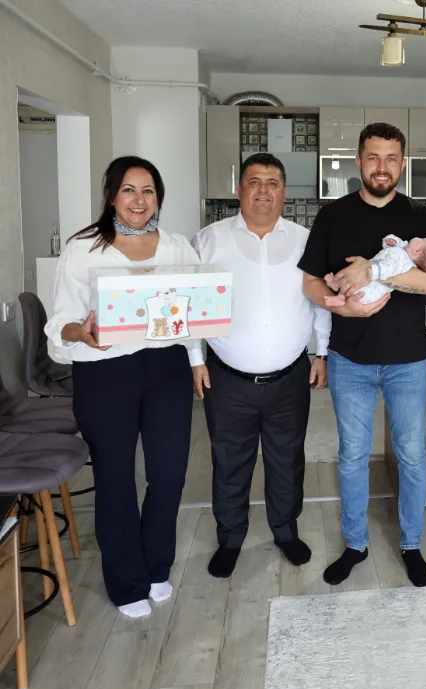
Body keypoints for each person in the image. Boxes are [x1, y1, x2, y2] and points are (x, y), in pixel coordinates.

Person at [45, 156, 201, 619]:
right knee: (115, 477)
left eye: (148, 190)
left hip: (167, 368)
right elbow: (61, 320)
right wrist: (80, 331)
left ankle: (156, 566)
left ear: (158, 197)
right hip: (104, 370)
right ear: (111, 196)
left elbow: (195, 310)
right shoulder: (83, 249)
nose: (139, 200)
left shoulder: (177, 247)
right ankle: (126, 581)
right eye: (129, 190)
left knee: (169, 473)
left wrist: (196, 361)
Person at [299, 122, 426, 588]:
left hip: (408, 359)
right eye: (373, 157)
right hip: (349, 359)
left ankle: (412, 544)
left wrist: (375, 274)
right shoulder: (333, 216)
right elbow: (310, 282)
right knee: (352, 456)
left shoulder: (420, 218)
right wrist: (340, 307)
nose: (382, 167)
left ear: (403, 164)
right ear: (359, 161)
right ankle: (356, 544)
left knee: (412, 456)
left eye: (391, 158)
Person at [190, 153, 332, 579]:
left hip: (290, 377)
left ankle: (285, 531)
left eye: (272, 183)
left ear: (284, 192)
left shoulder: (306, 240)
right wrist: (195, 359)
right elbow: (190, 303)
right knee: (229, 461)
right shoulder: (209, 240)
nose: (263, 190)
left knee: (287, 460)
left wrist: (322, 352)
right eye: (254, 181)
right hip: (226, 378)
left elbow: (320, 300)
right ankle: (231, 537)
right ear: (240, 190)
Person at [323, 234, 426, 306]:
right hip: (371, 274)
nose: (419, 237)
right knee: (351, 278)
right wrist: (391, 241)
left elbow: (388, 269)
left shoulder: (402, 261)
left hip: (372, 290)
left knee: (355, 285)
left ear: (417, 251)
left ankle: (341, 297)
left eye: (422, 239)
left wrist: (374, 272)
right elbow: (394, 247)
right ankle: (337, 287)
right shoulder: (403, 249)